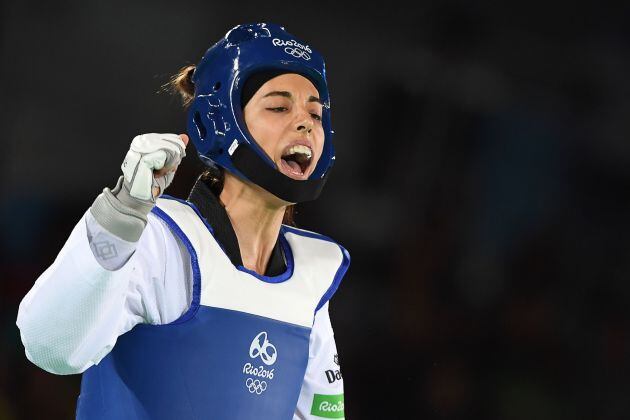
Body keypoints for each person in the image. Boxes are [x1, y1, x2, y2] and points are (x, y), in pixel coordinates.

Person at [16, 23, 349, 420]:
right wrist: (120, 217)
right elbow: (51, 347)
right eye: (278, 107)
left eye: (315, 111)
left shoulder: (311, 278)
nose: (305, 122)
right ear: (221, 121)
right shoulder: (159, 240)